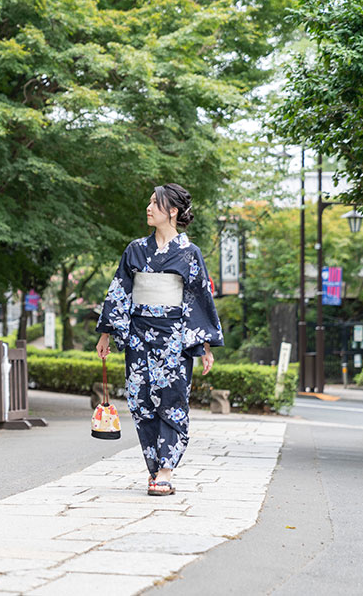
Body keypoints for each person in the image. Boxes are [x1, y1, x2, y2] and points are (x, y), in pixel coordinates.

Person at [95, 184, 223, 496]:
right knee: (140, 402)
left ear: (173, 211)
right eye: (150, 202)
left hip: (175, 337)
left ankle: (166, 469)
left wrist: (204, 345)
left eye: (155, 203)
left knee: (174, 402)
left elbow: (199, 297)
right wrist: (106, 333)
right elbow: (120, 290)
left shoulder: (189, 254)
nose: (148, 207)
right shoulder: (135, 250)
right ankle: (154, 468)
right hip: (139, 334)